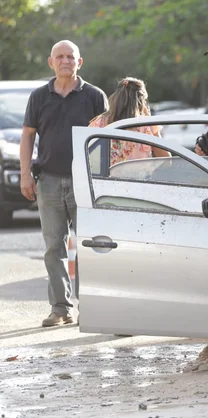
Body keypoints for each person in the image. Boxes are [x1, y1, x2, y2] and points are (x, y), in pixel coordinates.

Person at [19, 40, 109, 327]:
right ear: (51, 62)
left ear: (79, 62)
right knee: (53, 248)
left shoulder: (95, 96)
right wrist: (24, 173)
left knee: (88, 246)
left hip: (85, 182)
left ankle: (91, 308)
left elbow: (107, 140)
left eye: (71, 56)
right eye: (60, 56)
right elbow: (28, 136)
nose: (65, 60)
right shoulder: (38, 97)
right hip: (48, 181)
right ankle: (60, 309)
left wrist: (105, 179)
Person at [88, 77, 170, 165]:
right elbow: (167, 160)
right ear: (141, 101)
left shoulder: (99, 123)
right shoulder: (146, 125)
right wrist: (150, 120)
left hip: (106, 178)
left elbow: (87, 155)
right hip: (137, 178)